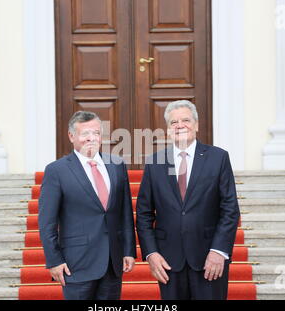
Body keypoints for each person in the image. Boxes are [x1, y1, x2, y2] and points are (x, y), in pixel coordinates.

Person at [136, 100, 240, 300]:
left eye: (185, 120)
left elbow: (229, 209)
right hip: (168, 262)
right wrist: (151, 254)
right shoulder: (154, 163)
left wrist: (219, 250)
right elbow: (143, 214)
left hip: (209, 259)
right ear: (167, 129)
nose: (180, 125)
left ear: (197, 125)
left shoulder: (218, 158)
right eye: (173, 122)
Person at [38, 111, 136, 300]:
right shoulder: (56, 171)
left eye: (96, 133)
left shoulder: (116, 164)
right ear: (71, 136)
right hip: (76, 264)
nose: (92, 138)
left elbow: (125, 212)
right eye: (85, 134)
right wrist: (54, 260)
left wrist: (128, 251)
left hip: (112, 263)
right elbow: (46, 222)